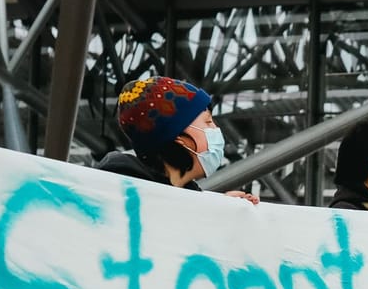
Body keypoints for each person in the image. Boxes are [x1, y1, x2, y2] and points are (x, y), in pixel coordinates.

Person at [97, 75, 259, 202]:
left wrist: (216, 208)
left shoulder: (183, 198)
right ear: (178, 137)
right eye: (208, 122)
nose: (216, 130)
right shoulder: (117, 191)